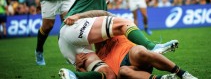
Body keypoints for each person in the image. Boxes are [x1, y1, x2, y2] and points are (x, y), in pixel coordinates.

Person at [59, 35, 197, 79]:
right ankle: (162, 78)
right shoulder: (97, 58)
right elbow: (101, 77)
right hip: (130, 71)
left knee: (140, 52)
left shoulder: (114, 32)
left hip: (133, 55)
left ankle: (182, 73)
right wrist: (78, 67)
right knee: (123, 71)